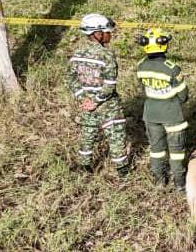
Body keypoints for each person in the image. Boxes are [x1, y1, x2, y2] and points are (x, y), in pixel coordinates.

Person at [69, 13, 128, 177]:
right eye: (108, 32)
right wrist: (96, 101)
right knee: (116, 137)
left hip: (86, 105)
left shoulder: (77, 54)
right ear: (98, 34)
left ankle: (84, 167)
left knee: (87, 134)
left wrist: (83, 99)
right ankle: (122, 171)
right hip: (108, 106)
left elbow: (71, 79)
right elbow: (109, 85)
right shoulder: (107, 56)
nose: (111, 35)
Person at [135, 28, 189, 190]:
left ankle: (159, 181)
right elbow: (183, 95)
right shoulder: (172, 68)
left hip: (151, 115)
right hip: (173, 116)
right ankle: (179, 183)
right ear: (163, 46)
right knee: (176, 151)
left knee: (156, 150)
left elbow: (142, 87)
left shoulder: (141, 66)